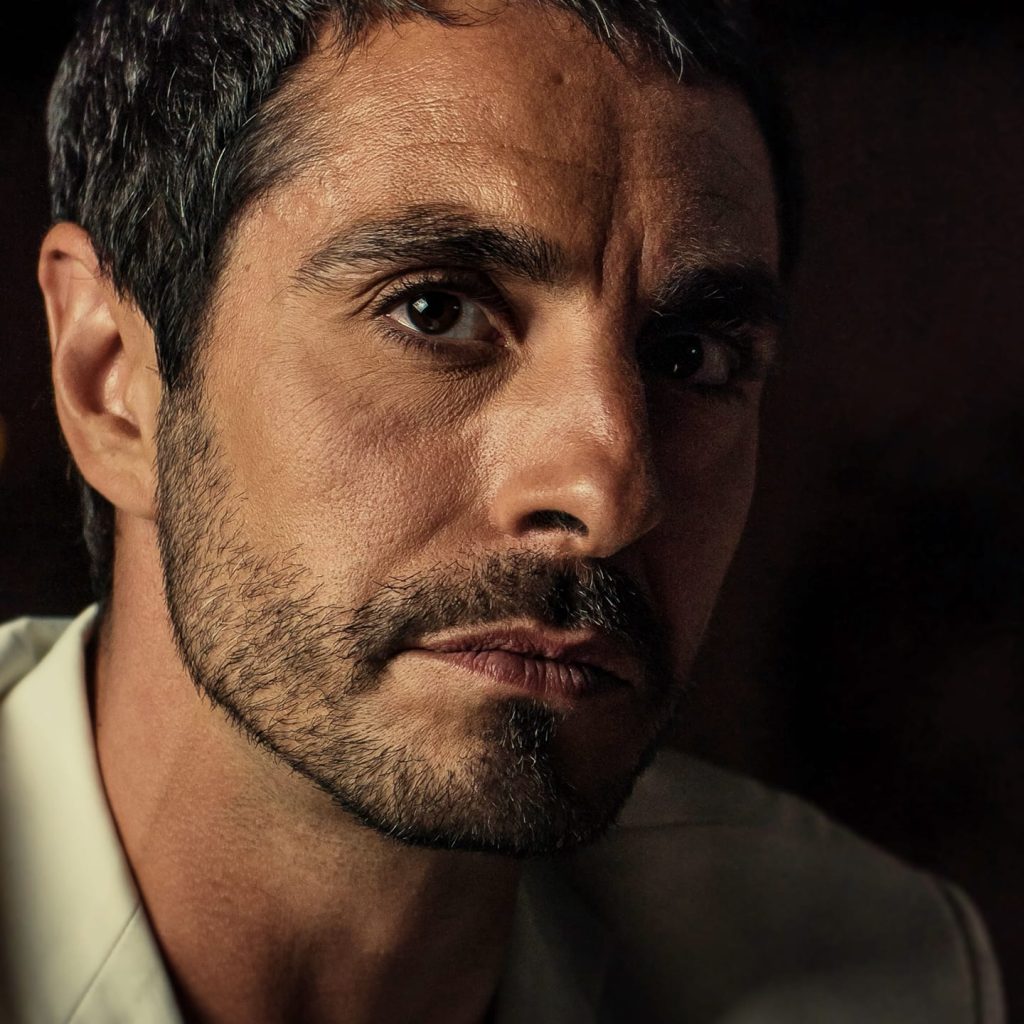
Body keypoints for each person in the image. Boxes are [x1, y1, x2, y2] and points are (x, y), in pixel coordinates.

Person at [0, 1, 1006, 1022]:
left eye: (689, 357)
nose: (609, 498)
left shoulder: (875, 974)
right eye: (434, 311)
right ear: (109, 377)